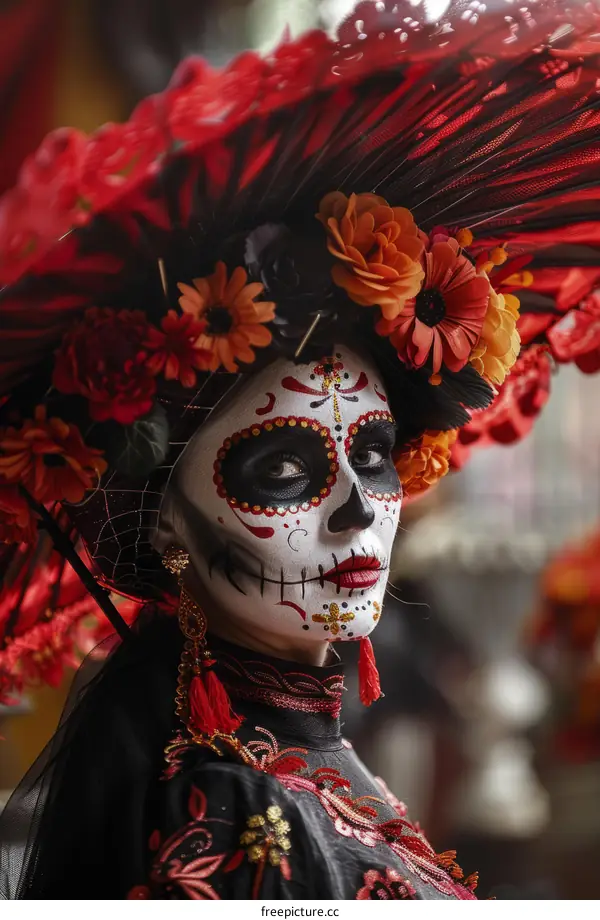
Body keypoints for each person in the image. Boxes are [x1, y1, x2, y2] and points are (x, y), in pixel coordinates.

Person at [1, 0, 600, 900]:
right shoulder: (233, 803)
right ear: (164, 520)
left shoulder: (292, 752)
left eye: (374, 453)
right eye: (282, 469)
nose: (360, 508)